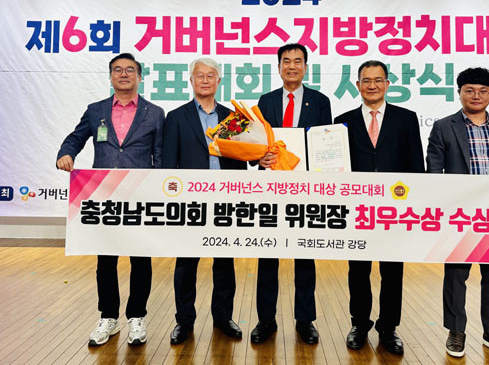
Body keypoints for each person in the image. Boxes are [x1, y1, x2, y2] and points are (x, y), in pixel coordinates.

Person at [56, 53, 164, 346]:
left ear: (139, 76)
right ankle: (108, 317)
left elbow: (160, 156)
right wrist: (66, 153)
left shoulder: (155, 113)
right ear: (110, 76)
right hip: (104, 196)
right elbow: (75, 138)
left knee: (141, 259)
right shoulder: (96, 111)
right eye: (118, 70)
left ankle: (137, 317)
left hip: (140, 196)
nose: (124, 74)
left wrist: (158, 190)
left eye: (130, 70)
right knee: (106, 260)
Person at [426, 67, 489, 360]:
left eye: (483, 91)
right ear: (459, 93)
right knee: (456, 276)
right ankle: (456, 331)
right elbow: (433, 171)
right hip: (460, 215)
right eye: (469, 90)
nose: (476, 96)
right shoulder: (444, 126)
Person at [334, 60, 424, 354]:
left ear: (387, 84)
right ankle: (359, 324)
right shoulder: (342, 121)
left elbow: (416, 165)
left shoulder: (406, 118)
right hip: (356, 209)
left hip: (394, 209)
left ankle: (388, 327)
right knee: (358, 270)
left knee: (392, 271)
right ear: (357, 85)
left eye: (378, 80)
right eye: (366, 80)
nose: (372, 85)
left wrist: (413, 206)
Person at [252, 43, 332, 344]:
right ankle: (265, 320)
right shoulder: (266, 100)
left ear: (305, 67)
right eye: (286, 61)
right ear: (279, 67)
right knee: (267, 255)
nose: (292, 66)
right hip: (271, 188)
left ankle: (305, 320)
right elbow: (257, 143)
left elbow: (325, 143)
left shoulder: (320, 101)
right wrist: (258, 159)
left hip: (306, 189)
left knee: (305, 255)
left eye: (298, 61)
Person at [163, 58, 246, 344]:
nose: (206, 80)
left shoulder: (233, 118)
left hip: (226, 200)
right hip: (190, 201)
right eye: (200, 76)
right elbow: (168, 165)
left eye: (211, 76)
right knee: (186, 264)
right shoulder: (176, 117)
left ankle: (223, 318)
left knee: (224, 263)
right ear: (191, 81)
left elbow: (241, 161)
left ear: (219, 81)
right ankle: (184, 321)